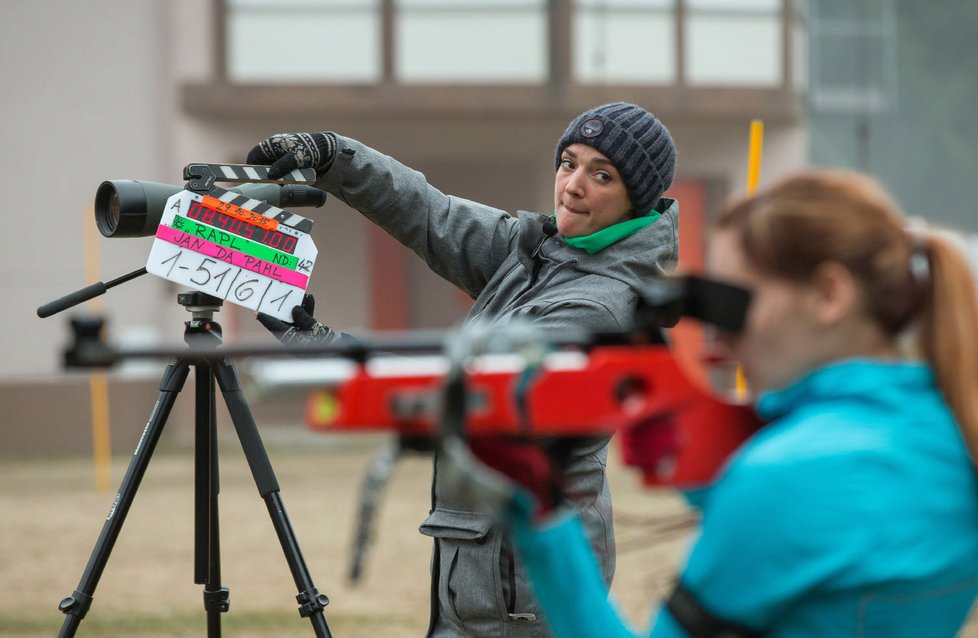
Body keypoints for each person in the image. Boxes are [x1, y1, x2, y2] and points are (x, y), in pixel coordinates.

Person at [466, 169, 978, 637]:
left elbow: (789, 509)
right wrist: (704, 474)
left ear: (829, 295)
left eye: (735, 304)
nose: (718, 343)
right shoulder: (950, 428)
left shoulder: (784, 477)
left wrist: (540, 513)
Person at [245, 102, 680, 637]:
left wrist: (331, 350)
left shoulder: (603, 306)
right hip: (489, 568)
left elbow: (469, 392)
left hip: (520, 582)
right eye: (569, 162)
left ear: (635, 201)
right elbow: (432, 215)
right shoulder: (543, 251)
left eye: (602, 175)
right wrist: (335, 157)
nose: (573, 186)